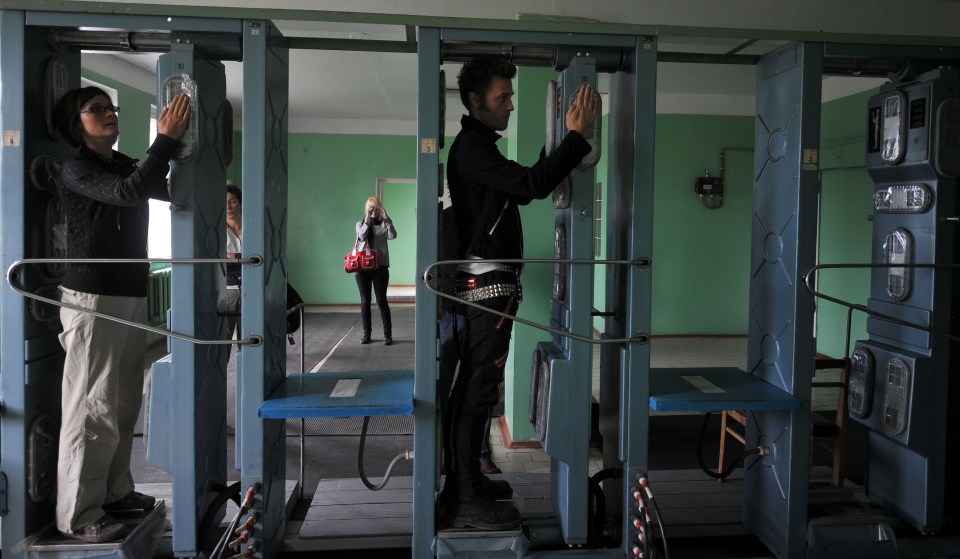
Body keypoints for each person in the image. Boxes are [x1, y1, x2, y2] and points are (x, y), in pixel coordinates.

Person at [441, 55, 596, 530]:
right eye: (502, 97)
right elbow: (531, 185)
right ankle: (464, 494)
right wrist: (577, 138)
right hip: (483, 289)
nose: (510, 105)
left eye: (510, 96)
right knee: (476, 390)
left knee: (478, 390)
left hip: (489, 289)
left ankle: (468, 484)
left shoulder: (480, 147)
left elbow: (522, 187)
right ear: (475, 101)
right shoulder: (471, 148)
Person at [53, 86, 190, 542]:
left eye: (111, 108)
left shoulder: (120, 162)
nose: (110, 114)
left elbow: (163, 188)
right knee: (92, 407)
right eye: (98, 110)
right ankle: (77, 515)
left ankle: (114, 492)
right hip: (93, 297)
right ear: (77, 123)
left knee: (125, 402)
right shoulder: (77, 168)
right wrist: (166, 139)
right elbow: (130, 193)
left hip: (129, 293)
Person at [354, 196, 397, 345]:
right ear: (367, 209)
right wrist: (367, 220)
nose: (374, 210)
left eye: (376, 207)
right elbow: (361, 237)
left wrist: (387, 218)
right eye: (371, 207)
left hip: (380, 267)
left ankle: (388, 335)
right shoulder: (360, 224)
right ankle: (367, 335)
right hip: (362, 268)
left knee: (381, 301)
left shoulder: (385, 224)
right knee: (365, 301)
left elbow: (393, 236)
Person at [220, 182, 243, 341]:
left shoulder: (253, 226)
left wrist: (231, 256)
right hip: (227, 288)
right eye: (224, 202)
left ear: (240, 203)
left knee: (249, 337)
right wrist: (242, 258)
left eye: (233, 201)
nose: (228, 207)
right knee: (224, 338)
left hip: (252, 288)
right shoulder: (217, 229)